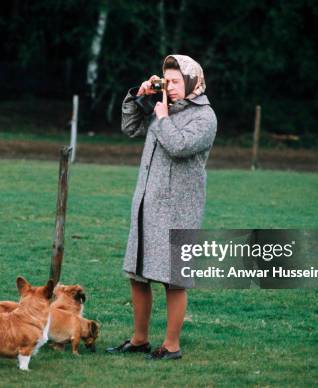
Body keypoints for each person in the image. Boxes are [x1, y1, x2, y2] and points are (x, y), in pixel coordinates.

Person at [106, 55, 217, 360]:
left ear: (193, 81)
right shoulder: (160, 106)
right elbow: (129, 128)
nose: (171, 87)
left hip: (179, 210)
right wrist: (138, 97)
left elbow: (179, 147)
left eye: (177, 81)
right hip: (147, 203)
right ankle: (139, 339)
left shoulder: (204, 117)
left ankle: (171, 346)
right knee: (138, 274)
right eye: (167, 81)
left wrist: (163, 116)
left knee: (174, 280)